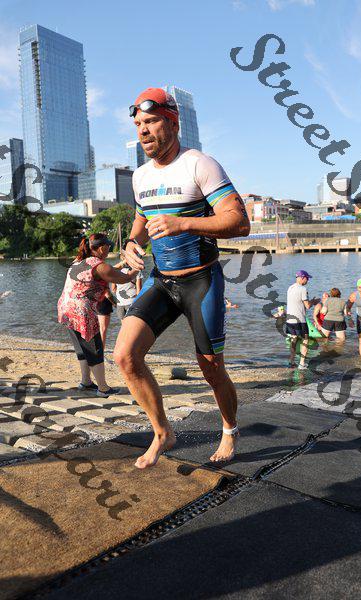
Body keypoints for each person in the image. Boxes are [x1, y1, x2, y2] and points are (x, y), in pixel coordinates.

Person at [113, 87, 250, 469]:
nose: (143, 130)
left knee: (211, 367)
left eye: (151, 121)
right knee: (125, 356)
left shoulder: (199, 164)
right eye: (138, 124)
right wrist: (132, 244)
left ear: (173, 123)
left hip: (201, 281)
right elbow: (142, 218)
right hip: (162, 281)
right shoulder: (140, 176)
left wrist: (184, 223)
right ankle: (163, 433)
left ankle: (229, 429)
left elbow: (239, 222)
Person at [58, 233, 138, 397]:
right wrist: (137, 267)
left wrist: (124, 263)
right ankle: (103, 388)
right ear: (101, 248)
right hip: (82, 312)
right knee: (95, 348)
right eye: (108, 246)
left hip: (66, 308)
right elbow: (124, 278)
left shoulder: (78, 261)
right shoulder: (99, 266)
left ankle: (86, 382)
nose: (109, 249)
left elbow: (109, 271)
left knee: (82, 347)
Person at [286, 270, 319, 370]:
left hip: (290, 319)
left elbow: (296, 302)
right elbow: (307, 306)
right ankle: (301, 364)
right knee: (305, 340)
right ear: (302, 278)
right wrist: (314, 301)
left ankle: (291, 362)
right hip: (300, 320)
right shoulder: (303, 289)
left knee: (294, 339)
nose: (308, 280)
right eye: (307, 278)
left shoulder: (290, 288)